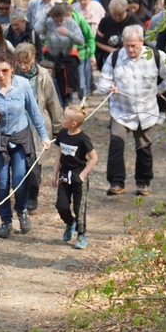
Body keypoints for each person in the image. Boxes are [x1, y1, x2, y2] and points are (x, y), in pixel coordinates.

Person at [0, 49, 52, 238]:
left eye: (5, 71)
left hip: (20, 138)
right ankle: (6, 222)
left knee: (19, 181)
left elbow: (34, 112)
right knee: (2, 184)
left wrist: (44, 136)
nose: (1, 75)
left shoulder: (23, 85)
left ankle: (22, 210)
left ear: (12, 69)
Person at [97, 25, 166, 196]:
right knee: (116, 145)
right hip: (121, 111)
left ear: (142, 41)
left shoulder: (155, 56)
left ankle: (143, 183)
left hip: (146, 111)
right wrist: (108, 87)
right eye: (127, 45)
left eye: (134, 45)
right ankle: (116, 183)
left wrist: (161, 89)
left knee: (143, 147)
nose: (130, 49)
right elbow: (102, 82)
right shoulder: (114, 58)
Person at [15, 43, 63, 213]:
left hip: (38, 125)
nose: (23, 66)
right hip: (18, 124)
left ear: (33, 58)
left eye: (26, 63)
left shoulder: (43, 77)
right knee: (20, 162)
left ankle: (32, 197)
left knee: (35, 164)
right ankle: (20, 196)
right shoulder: (12, 75)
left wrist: (58, 128)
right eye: (20, 62)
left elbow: (53, 103)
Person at [52, 105, 98, 250]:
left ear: (73, 124)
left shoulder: (83, 139)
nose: (61, 119)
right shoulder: (62, 134)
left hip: (78, 178)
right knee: (61, 205)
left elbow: (93, 158)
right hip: (64, 176)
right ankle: (70, 223)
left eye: (64, 118)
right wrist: (55, 174)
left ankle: (81, 234)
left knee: (80, 208)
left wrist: (83, 174)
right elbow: (59, 155)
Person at [36, 3, 85, 107]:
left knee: (66, 86)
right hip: (52, 57)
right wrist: (46, 15)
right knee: (53, 84)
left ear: (65, 16)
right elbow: (36, 29)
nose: (58, 22)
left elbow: (81, 41)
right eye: (55, 20)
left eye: (60, 20)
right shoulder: (49, 23)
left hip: (66, 57)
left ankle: (68, 105)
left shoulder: (71, 23)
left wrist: (68, 33)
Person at [95, 0, 143, 71]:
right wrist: (113, 50)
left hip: (130, 58)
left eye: (120, 15)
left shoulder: (134, 20)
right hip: (109, 57)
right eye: (114, 15)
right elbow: (98, 41)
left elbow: (142, 40)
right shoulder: (105, 21)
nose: (117, 17)